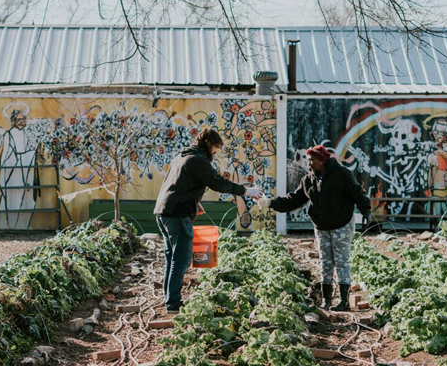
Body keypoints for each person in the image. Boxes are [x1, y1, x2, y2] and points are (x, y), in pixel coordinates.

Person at [154, 129, 261, 312]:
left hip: (163, 211)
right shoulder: (197, 160)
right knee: (181, 260)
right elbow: (217, 182)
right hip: (177, 214)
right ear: (209, 144)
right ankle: (172, 303)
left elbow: (177, 184)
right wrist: (245, 191)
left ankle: (170, 300)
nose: (215, 153)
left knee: (172, 258)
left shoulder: (182, 157)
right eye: (215, 148)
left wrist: (195, 203)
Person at [269, 145, 371, 311]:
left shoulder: (341, 174)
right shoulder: (309, 179)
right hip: (321, 226)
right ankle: (326, 300)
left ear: (322, 161)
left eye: (311, 160)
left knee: (341, 261)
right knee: (326, 262)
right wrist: (272, 203)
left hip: (342, 224)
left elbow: (357, 193)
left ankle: (343, 301)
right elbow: (294, 199)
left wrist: (366, 211)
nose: (309, 163)